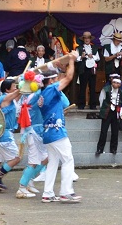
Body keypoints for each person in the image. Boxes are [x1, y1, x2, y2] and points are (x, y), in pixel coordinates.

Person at [36, 52, 80, 202]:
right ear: (51, 80)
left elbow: (63, 77)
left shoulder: (42, 94)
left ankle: (47, 193)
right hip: (56, 132)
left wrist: (62, 66)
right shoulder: (50, 89)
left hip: (48, 132)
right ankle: (66, 191)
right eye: (55, 78)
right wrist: (72, 61)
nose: (57, 79)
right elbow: (68, 78)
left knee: (53, 163)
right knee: (68, 159)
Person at [95, 75, 122, 156]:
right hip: (107, 111)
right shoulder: (106, 89)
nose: (115, 84)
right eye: (114, 82)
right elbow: (101, 99)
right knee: (104, 131)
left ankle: (113, 149)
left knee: (115, 131)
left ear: (119, 84)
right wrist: (103, 109)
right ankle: (100, 149)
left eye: (117, 83)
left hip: (116, 112)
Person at [74, 31, 100, 109]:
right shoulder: (78, 48)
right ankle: (81, 104)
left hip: (92, 69)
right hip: (83, 69)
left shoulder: (94, 48)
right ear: (83, 39)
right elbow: (75, 59)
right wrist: (81, 57)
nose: (87, 40)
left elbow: (98, 58)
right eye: (85, 38)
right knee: (82, 87)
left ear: (90, 39)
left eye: (88, 38)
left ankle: (93, 105)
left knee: (92, 87)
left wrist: (92, 56)